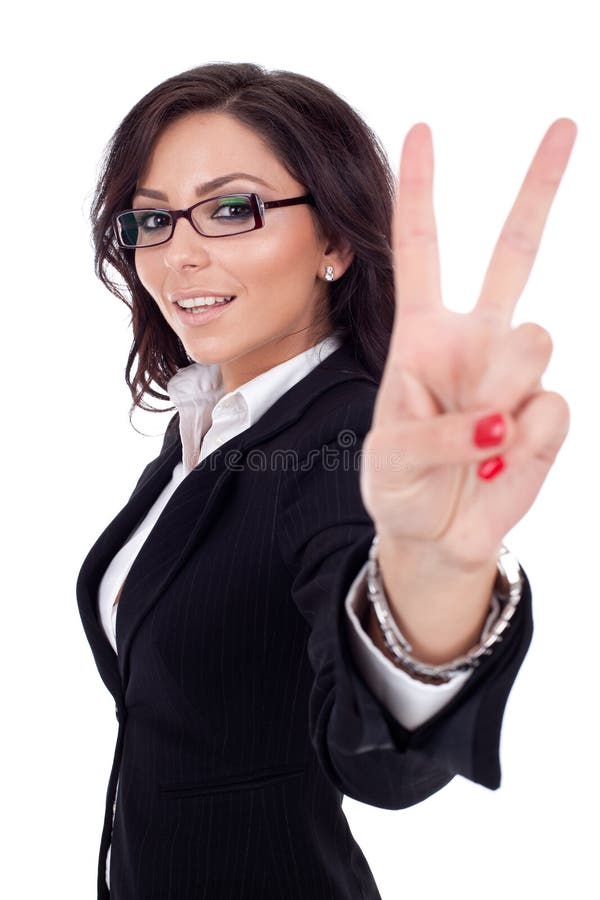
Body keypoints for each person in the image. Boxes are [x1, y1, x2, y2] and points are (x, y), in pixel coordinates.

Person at [76, 62, 576, 900]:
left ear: (337, 243)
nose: (180, 255)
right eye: (154, 219)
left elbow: (378, 765)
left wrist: (433, 579)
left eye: (233, 209)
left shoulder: (349, 440)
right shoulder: (209, 420)